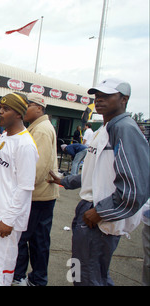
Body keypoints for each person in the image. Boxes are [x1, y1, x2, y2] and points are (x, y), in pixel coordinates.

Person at [48, 78, 149, 286]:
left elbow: (136, 188)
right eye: (97, 96)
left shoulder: (125, 129)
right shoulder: (104, 129)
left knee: (89, 276)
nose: (99, 100)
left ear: (124, 99)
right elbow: (93, 174)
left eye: (106, 96)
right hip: (88, 208)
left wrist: (100, 212)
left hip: (99, 214)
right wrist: (64, 180)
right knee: (78, 269)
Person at [0, 92, 39, 286]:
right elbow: (1, 177)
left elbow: (24, 188)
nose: (0, 112)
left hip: (5, 220)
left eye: (6, 109)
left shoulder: (25, 145)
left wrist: (9, 220)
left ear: (19, 114)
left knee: (1, 270)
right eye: (0, 107)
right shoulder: (5, 136)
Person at [12, 93, 59, 286]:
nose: (24, 109)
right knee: (39, 241)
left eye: (28, 105)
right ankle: (37, 278)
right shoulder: (38, 127)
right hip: (41, 195)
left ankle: (20, 276)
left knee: (24, 238)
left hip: (37, 196)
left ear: (39, 107)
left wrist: (20, 191)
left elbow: (36, 169)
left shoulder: (41, 130)